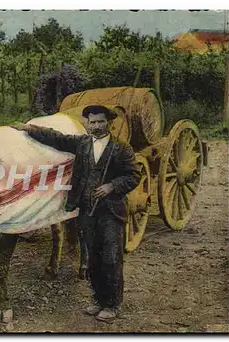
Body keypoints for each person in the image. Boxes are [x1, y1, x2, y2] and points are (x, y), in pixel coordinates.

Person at [10, 104, 141, 323]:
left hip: (110, 212)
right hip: (86, 210)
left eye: (101, 122)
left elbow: (134, 175)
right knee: (93, 258)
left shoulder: (121, 148)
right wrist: (28, 129)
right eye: (92, 122)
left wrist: (111, 186)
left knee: (111, 257)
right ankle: (98, 299)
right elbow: (55, 138)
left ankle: (112, 304)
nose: (96, 126)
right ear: (87, 124)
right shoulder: (81, 144)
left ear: (108, 123)